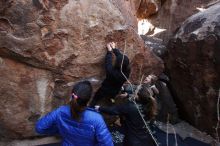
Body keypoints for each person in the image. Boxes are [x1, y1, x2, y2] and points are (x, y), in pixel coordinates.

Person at [35, 81, 113, 146]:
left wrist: (59, 129)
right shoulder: (97, 119)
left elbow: (40, 127)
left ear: (72, 95)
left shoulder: (60, 111)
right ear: (89, 99)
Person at [90, 42, 130, 107]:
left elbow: (108, 63)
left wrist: (109, 51)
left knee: (97, 97)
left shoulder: (112, 72)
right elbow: (123, 60)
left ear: (117, 64)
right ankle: (111, 101)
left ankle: (92, 105)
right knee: (112, 97)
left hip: (105, 89)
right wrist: (114, 49)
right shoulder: (127, 71)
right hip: (115, 90)